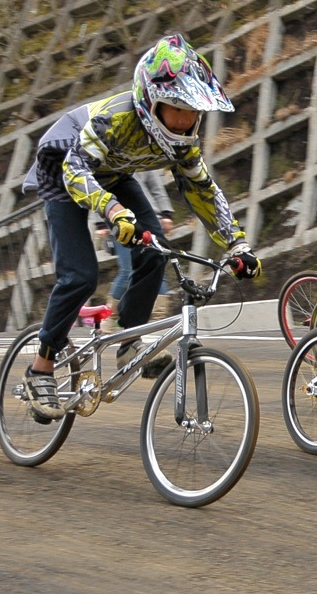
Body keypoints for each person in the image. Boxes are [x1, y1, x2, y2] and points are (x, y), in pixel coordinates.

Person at [21, 33, 262, 421]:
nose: (186, 121)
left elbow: (200, 188)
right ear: (151, 101)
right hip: (65, 170)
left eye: (194, 111)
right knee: (80, 277)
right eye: (177, 108)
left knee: (155, 248)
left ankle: (130, 340)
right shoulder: (115, 119)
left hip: (113, 173)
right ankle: (41, 367)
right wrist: (113, 211)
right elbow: (75, 170)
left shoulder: (184, 140)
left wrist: (236, 246)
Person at [94, 168, 174, 315]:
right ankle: (110, 316)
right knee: (127, 269)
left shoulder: (141, 162)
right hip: (119, 222)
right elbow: (94, 189)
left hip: (149, 218)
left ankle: (159, 316)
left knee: (158, 263)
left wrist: (166, 213)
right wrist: (100, 223)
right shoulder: (106, 161)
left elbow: (156, 187)